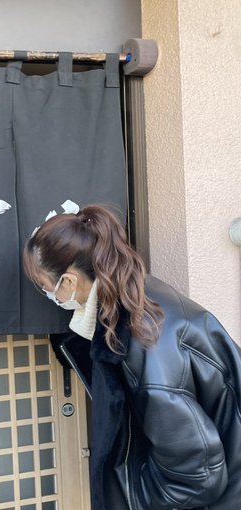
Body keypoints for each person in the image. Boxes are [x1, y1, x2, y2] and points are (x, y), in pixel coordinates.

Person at [23, 203, 241, 510]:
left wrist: (134, 498)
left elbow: (197, 477)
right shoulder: (133, 293)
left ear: (69, 281)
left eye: (47, 288)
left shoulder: (145, 345)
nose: (50, 296)